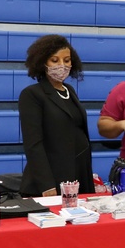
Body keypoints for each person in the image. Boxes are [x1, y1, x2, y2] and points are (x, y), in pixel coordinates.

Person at [18, 34, 96, 197]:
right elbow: (33, 145)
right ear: (42, 62)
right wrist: (47, 186)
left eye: (66, 60)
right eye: (55, 60)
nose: (62, 65)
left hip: (79, 174)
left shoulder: (70, 91)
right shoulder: (32, 94)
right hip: (51, 180)